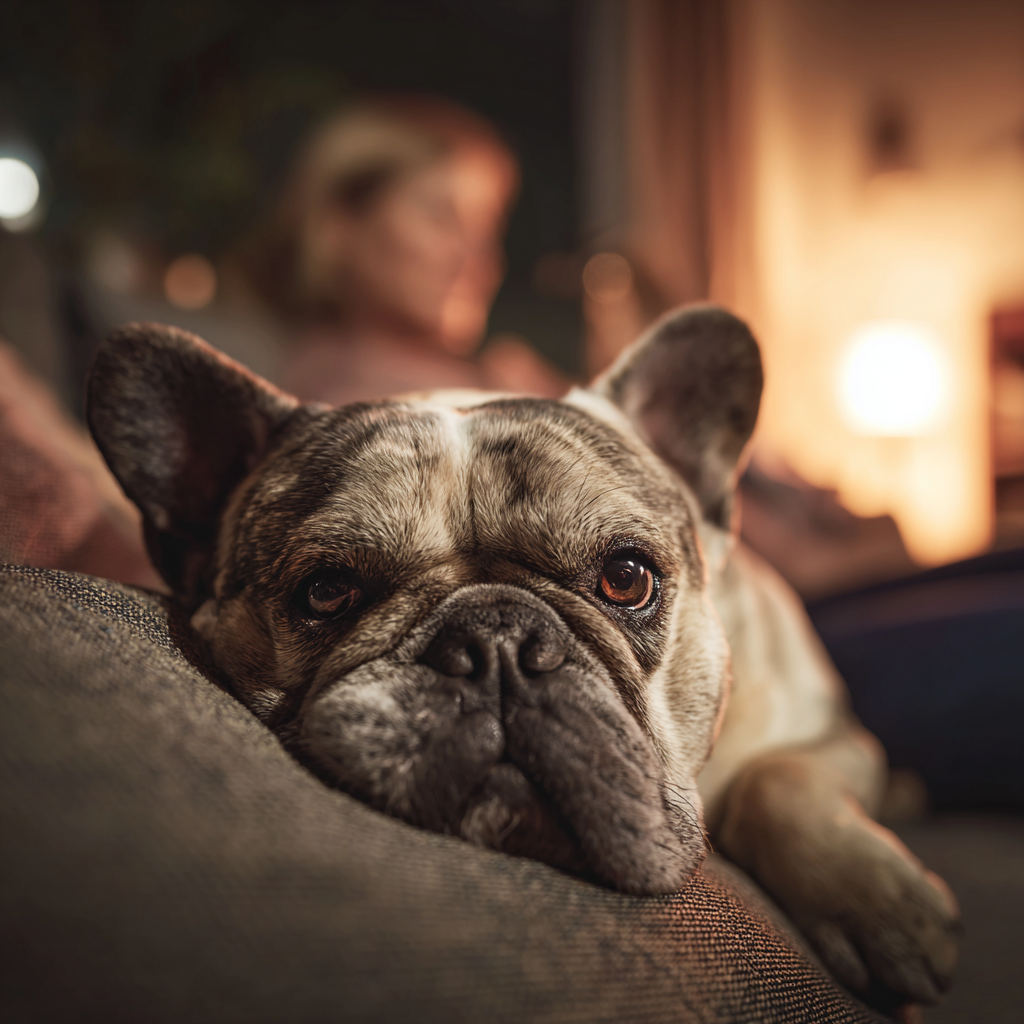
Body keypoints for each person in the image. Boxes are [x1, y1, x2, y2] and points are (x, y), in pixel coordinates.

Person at [240, 96, 565, 405]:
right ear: (338, 226)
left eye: (489, 228)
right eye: (440, 217)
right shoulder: (355, 400)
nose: (477, 255)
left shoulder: (492, 380)